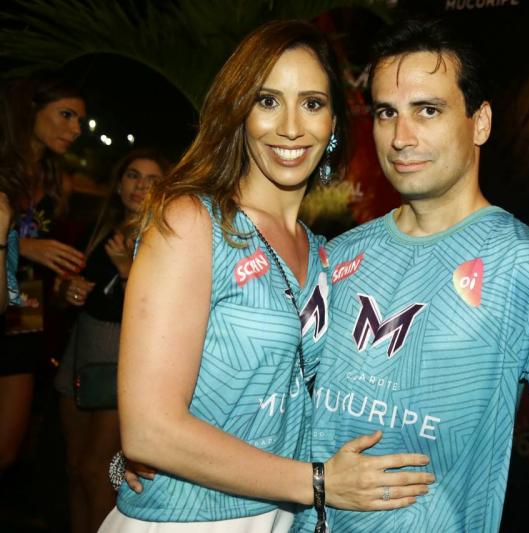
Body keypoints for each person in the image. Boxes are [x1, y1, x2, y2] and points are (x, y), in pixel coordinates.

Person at [291, 19, 529, 533]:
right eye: (386, 113)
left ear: (480, 123)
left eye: (427, 110)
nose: (401, 137)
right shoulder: (338, 254)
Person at [99, 20, 433, 532]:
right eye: (268, 101)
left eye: (312, 103)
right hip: (188, 521)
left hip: (280, 515)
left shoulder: (322, 254)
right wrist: (318, 482)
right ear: (240, 113)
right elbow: (149, 432)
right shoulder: (192, 222)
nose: (291, 127)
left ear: (334, 122)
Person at [53, 149, 169, 533]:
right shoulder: (98, 229)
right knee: (73, 467)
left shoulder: (163, 236)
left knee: (97, 470)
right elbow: (62, 285)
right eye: (133, 175)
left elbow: (162, 308)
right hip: (81, 346)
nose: (140, 186)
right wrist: (67, 289)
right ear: (119, 184)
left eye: (152, 180)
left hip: (123, 356)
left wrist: (126, 269)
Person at [0, 76, 86, 473]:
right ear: (31, 110)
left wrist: (64, 284)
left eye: (79, 120)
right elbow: (34, 246)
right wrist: (27, 247)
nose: (75, 129)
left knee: (7, 449)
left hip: (26, 310)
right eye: (66, 115)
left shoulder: (58, 181)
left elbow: (54, 256)